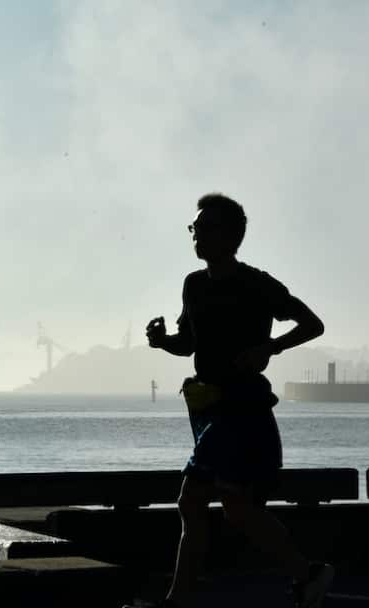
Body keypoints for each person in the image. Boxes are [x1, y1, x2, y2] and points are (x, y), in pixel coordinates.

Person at [132, 193, 332, 608]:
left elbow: (312, 324)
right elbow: (188, 344)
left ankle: (178, 601)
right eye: (194, 228)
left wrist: (270, 348)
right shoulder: (194, 285)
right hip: (208, 410)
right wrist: (161, 341)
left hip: (241, 407)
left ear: (230, 236)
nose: (196, 235)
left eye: (204, 228)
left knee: (193, 500)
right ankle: (307, 574)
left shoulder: (256, 284)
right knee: (236, 508)